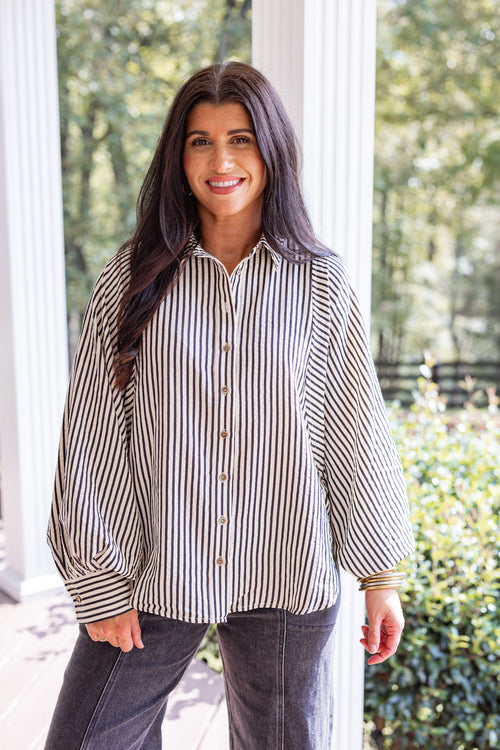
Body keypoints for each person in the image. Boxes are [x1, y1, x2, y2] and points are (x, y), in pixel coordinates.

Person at [45, 61, 414, 750]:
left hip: (286, 567)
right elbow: (94, 432)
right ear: (178, 155)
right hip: (156, 567)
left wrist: (380, 576)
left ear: (270, 150)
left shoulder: (320, 284)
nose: (221, 160)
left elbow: (355, 432)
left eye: (241, 139)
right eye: (200, 140)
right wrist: (100, 577)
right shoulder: (131, 277)